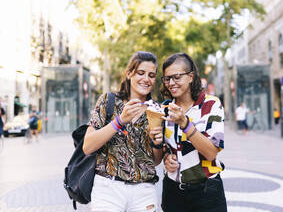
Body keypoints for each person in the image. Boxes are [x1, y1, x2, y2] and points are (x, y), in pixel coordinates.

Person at [83, 51, 163, 212]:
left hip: (144, 191)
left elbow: (155, 161)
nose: (146, 79)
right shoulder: (109, 101)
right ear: (129, 74)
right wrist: (120, 121)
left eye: (151, 75)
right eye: (141, 73)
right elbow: (88, 146)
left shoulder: (156, 110)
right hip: (108, 188)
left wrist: (157, 143)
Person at [160, 52, 227, 212]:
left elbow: (211, 153)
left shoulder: (210, 105)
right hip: (173, 192)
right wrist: (166, 158)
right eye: (167, 78)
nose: (171, 83)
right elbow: (164, 148)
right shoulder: (164, 108)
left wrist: (184, 123)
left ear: (191, 76)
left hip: (207, 193)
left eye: (177, 77)